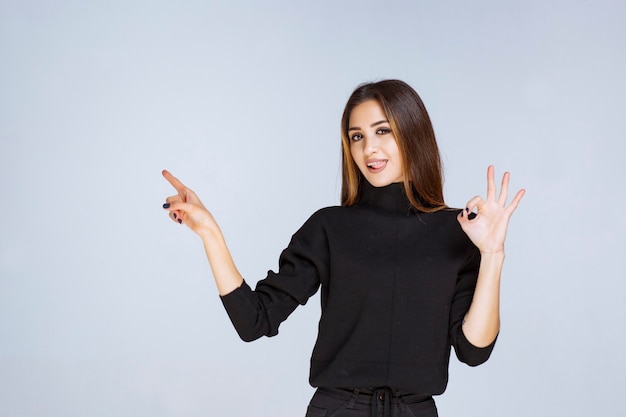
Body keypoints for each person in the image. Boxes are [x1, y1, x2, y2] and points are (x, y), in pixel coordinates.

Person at [161, 79, 525, 417]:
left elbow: (473, 351)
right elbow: (255, 320)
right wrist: (210, 232)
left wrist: (492, 254)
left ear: (413, 133)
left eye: (383, 131)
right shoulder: (329, 227)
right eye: (356, 136)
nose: (369, 148)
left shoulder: (458, 232)